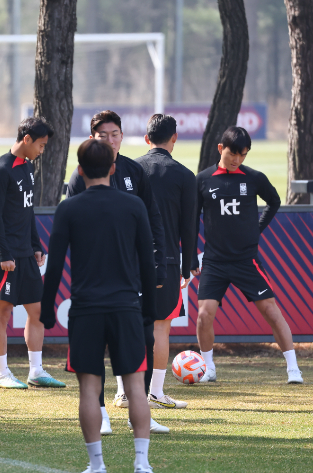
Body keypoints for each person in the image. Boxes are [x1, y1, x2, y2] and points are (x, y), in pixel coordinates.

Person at [42, 139, 156, 473]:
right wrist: (149, 309)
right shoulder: (134, 206)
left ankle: (97, 465)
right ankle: (142, 462)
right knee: (136, 387)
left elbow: (55, 265)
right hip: (126, 308)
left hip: (86, 310)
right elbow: (147, 264)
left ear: (79, 171)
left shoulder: (69, 208)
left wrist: (47, 310)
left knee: (90, 391)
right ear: (113, 168)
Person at [66, 110, 167, 435]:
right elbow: (70, 230)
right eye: (103, 135)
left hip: (134, 275)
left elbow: (153, 219)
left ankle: (141, 410)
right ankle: (101, 412)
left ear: (122, 136)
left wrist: (157, 263)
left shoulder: (134, 171)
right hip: (95, 279)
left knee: (145, 337)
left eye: (115, 134)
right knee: (96, 349)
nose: (110, 140)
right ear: (93, 138)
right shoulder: (78, 178)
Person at [191, 126, 302, 384]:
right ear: (221, 149)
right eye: (233, 153)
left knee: (272, 313)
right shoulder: (203, 180)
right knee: (204, 315)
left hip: (246, 260)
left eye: (243, 155)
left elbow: (274, 201)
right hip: (215, 261)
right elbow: (192, 219)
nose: (237, 159)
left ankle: (293, 369)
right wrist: (189, 257)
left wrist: (257, 229)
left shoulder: (254, 178)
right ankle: (209, 369)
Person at [0, 117, 65, 389]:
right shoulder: (0, 170)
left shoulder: (27, 168)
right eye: (41, 145)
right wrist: (5, 253)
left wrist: (36, 245)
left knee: (37, 311)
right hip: (3, 255)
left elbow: (27, 211)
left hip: (25, 254)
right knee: (2, 314)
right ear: (26, 139)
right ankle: (3, 373)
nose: (42, 151)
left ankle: (36, 371)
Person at [135, 114, 197, 409]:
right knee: (161, 327)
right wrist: (188, 266)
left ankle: (125, 392)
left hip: (131, 259)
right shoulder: (185, 175)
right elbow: (190, 226)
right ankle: (156, 393)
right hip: (168, 261)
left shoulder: (131, 169)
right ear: (174, 139)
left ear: (146, 139)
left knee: (130, 326)